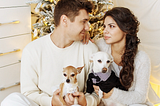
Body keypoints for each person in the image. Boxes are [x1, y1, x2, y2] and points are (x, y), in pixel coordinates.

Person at [1, 0, 100, 106]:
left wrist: (86, 101)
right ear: (64, 20)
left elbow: (99, 92)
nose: (87, 27)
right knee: (12, 100)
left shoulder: (90, 50)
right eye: (83, 21)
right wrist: (51, 102)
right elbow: (28, 93)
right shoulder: (32, 50)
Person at [93, 7, 153, 106]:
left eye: (111, 26)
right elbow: (83, 45)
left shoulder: (141, 58)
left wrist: (112, 94)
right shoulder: (99, 45)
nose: (105, 31)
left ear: (125, 29)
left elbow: (141, 97)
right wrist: (85, 37)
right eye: (104, 26)